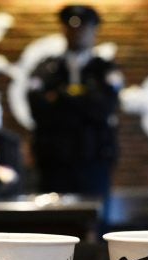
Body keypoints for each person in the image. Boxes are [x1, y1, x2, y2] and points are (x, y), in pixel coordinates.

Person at [27, 5, 123, 206]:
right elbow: (38, 109)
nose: (77, 33)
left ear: (94, 30)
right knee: (52, 223)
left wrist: (61, 97)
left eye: (84, 28)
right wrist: (85, 99)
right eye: (71, 27)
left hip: (94, 159)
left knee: (94, 220)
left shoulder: (104, 69)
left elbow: (104, 107)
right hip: (54, 162)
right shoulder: (46, 68)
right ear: (63, 30)